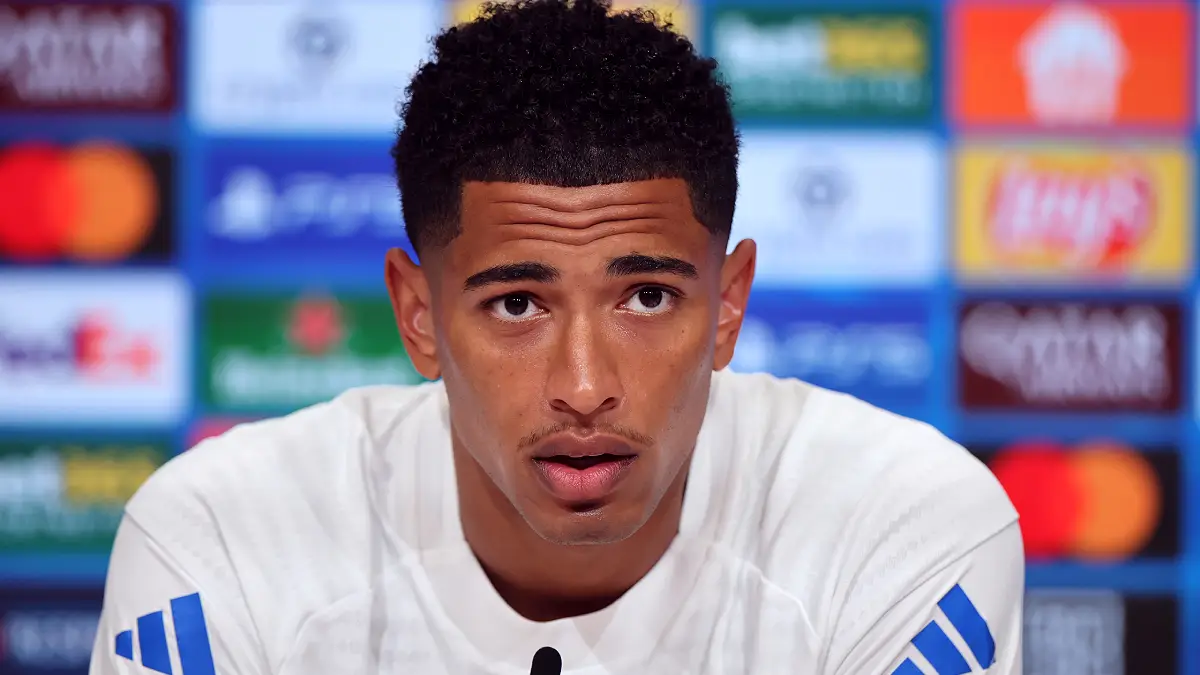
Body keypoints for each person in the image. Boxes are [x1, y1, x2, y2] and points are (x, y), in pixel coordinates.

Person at [90, 0, 1023, 672]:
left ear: (729, 305)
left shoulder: (902, 528)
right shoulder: (220, 542)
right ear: (419, 315)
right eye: (517, 305)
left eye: (647, 297)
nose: (584, 386)